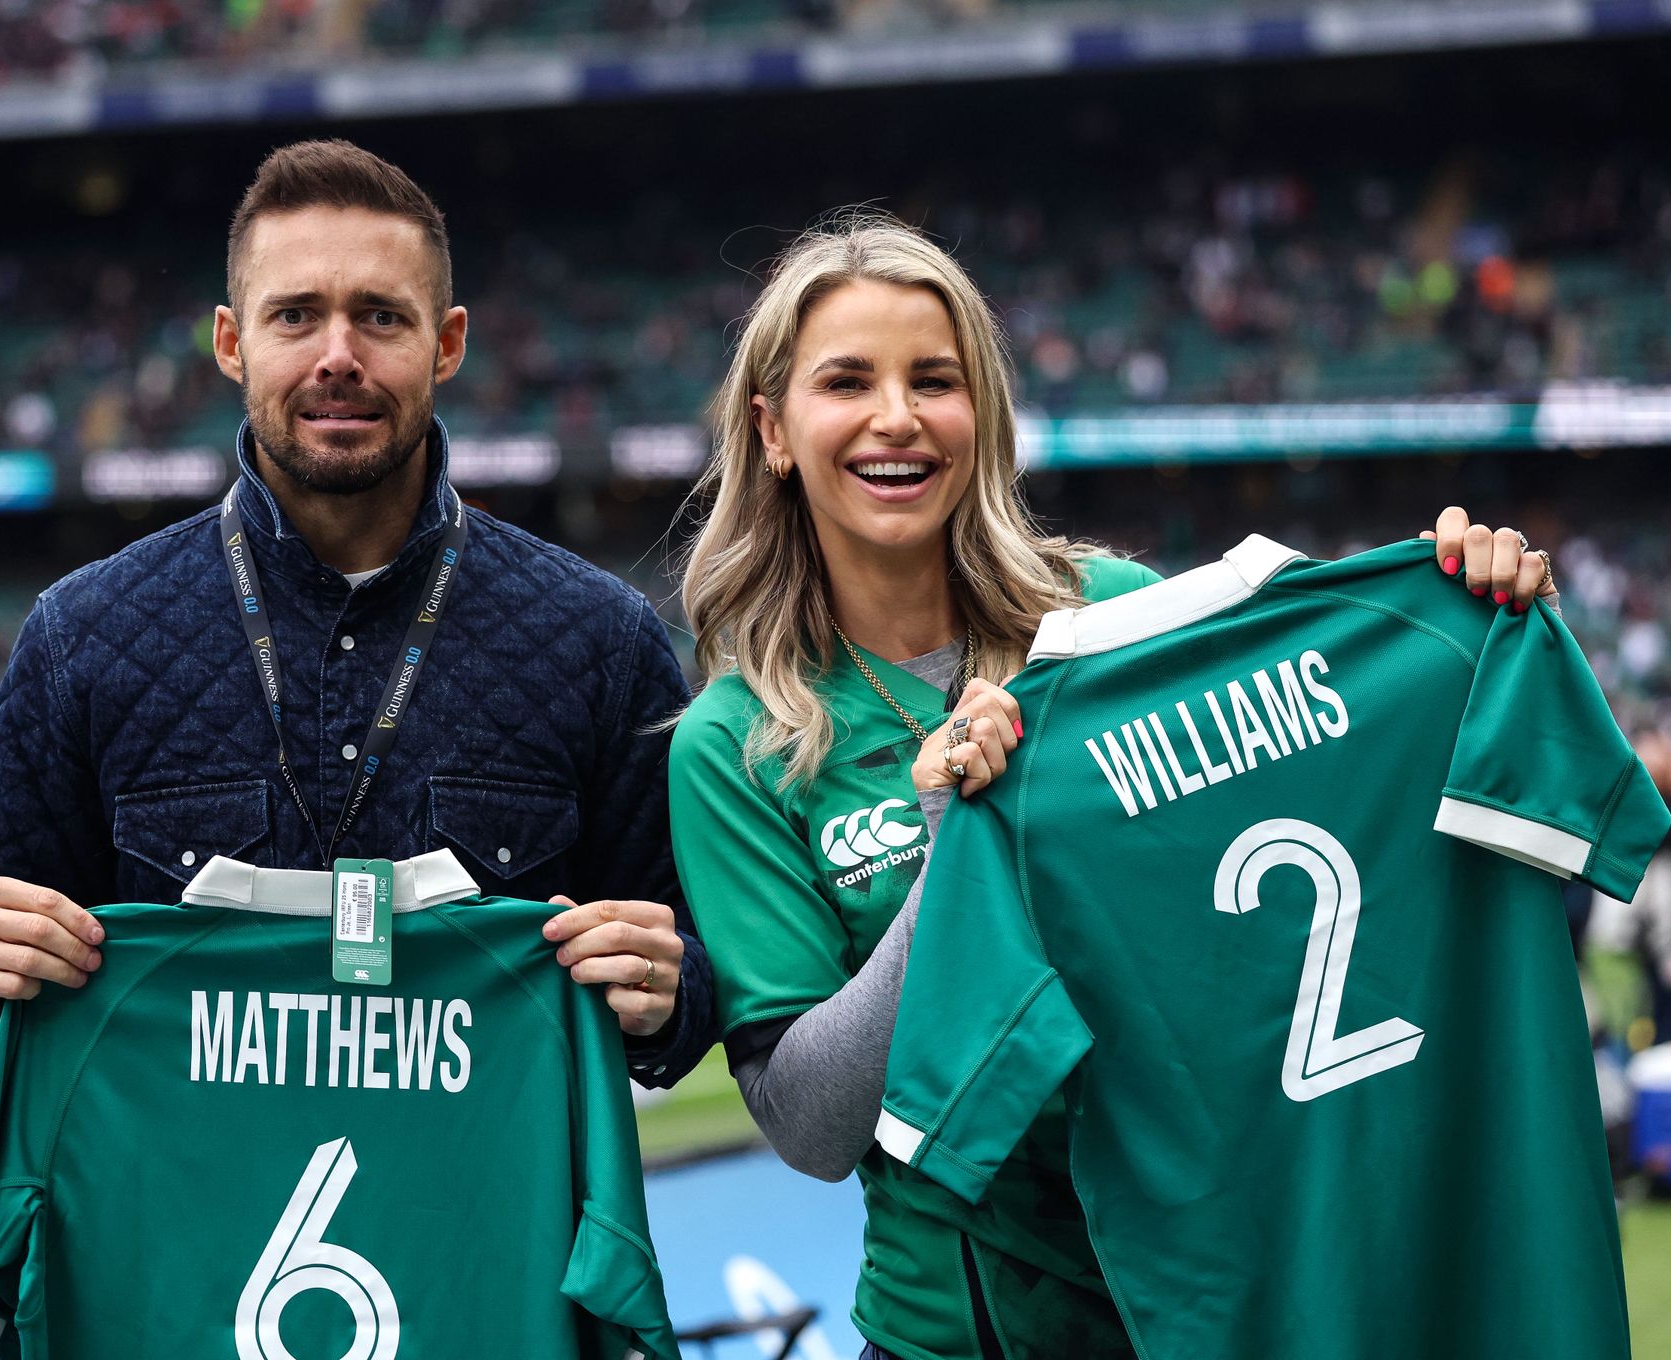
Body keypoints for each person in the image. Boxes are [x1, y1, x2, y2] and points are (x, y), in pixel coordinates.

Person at [667, 214, 1561, 1360]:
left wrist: (1465, 635)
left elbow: (1320, 834)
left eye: (933, 380)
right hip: (965, 1336)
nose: (896, 416)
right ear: (772, 429)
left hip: (1220, 1293)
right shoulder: (736, 744)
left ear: (980, 411)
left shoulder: (1117, 618)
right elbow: (808, 1123)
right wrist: (955, 857)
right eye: (847, 381)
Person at [0, 140, 714, 1092]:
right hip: (183, 1188)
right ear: (230, 342)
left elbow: (693, 976)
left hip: (479, 1187)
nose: (338, 357)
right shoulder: (83, 632)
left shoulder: (601, 639)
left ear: (448, 343)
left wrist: (670, 991)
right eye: (295, 316)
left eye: (380, 317)